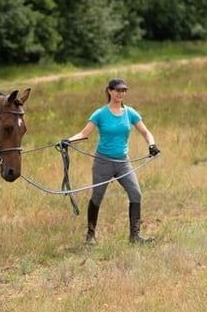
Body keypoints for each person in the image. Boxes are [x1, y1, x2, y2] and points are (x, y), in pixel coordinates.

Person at [59, 78, 160, 244]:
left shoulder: (130, 113)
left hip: (123, 162)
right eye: (117, 90)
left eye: (124, 90)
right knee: (97, 197)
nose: (121, 93)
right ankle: (90, 236)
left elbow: (146, 132)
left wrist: (152, 145)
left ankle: (135, 236)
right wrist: (68, 141)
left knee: (136, 194)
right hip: (103, 162)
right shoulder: (100, 114)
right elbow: (84, 133)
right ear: (109, 91)